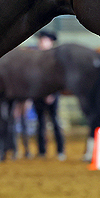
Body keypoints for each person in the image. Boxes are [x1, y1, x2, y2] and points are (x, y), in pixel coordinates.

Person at [32, 30, 66, 160]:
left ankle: (60, 150)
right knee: (40, 123)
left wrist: (51, 93)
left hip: (52, 95)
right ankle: (41, 151)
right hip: (38, 95)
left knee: (55, 121)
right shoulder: (36, 57)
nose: (41, 42)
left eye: (43, 40)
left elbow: (57, 79)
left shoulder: (55, 58)